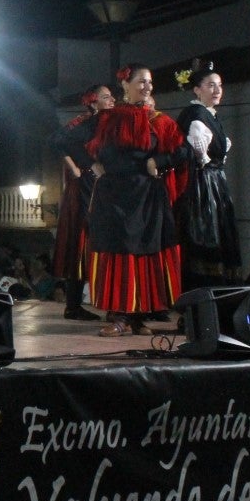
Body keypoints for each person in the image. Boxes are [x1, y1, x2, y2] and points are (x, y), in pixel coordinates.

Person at [79, 64, 190, 337]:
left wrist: (159, 161)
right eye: (141, 81)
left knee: (143, 254)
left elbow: (183, 151)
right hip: (114, 197)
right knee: (120, 252)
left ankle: (138, 316)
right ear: (125, 84)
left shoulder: (157, 120)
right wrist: (91, 165)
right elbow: (64, 139)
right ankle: (120, 316)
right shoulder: (108, 118)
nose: (147, 87)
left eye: (150, 82)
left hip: (147, 197)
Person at [174, 61, 242, 288]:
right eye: (211, 85)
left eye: (219, 85)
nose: (217, 90)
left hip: (214, 183)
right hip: (203, 185)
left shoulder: (209, 115)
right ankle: (201, 290)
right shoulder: (196, 114)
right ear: (197, 89)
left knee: (217, 234)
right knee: (205, 234)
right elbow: (197, 154)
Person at [48, 84, 114, 320]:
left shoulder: (105, 122)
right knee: (81, 241)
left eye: (112, 96)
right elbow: (58, 140)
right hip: (86, 187)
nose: (112, 100)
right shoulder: (86, 122)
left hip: (98, 186)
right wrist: (79, 166)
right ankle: (74, 305)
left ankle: (94, 304)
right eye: (106, 97)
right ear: (93, 102)